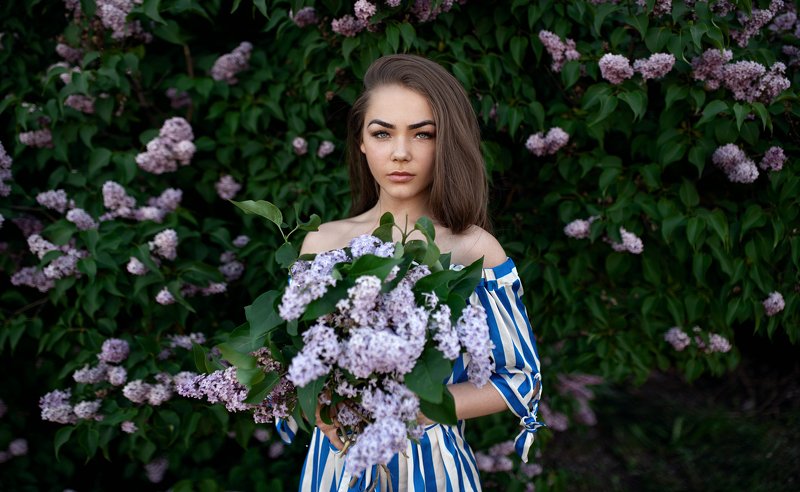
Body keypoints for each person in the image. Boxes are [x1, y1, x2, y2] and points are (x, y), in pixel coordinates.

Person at [277, 54, 543, 491]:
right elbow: (295, 366)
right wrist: (317, 404)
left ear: (446, 143)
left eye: (423, 134)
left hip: (433, 469)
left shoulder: (471, 249)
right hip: (338, 469)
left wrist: (414, 405)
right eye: (382, 133)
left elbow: (521, 379)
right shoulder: (322, 244)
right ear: (362, 142)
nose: (400, 152)